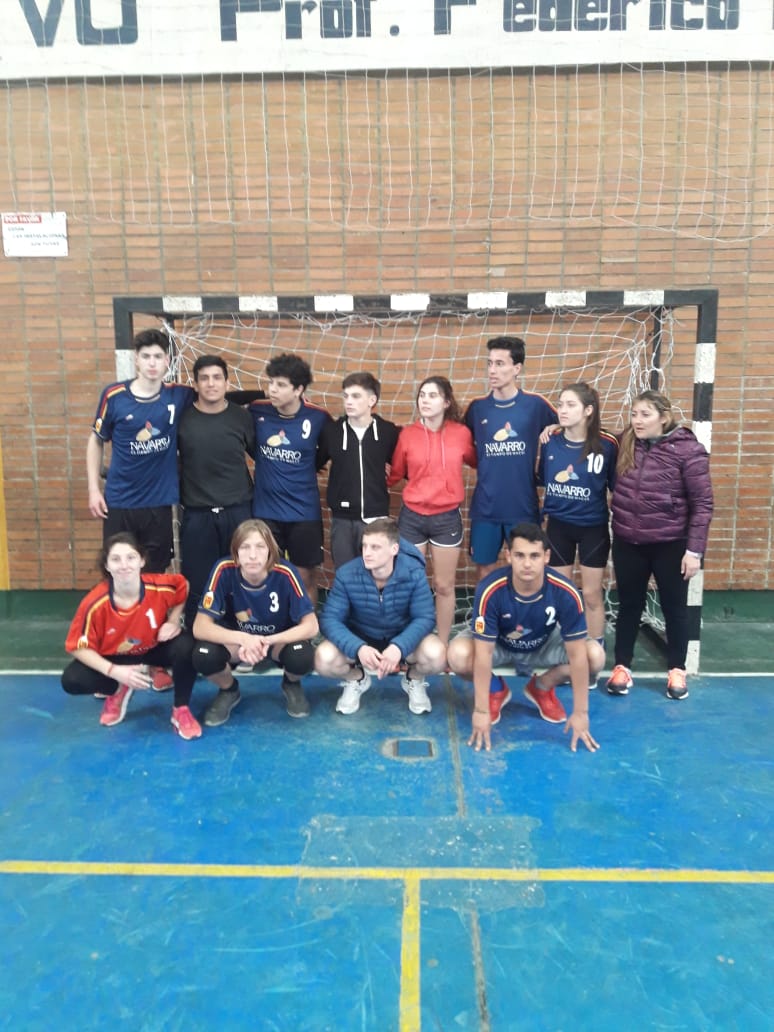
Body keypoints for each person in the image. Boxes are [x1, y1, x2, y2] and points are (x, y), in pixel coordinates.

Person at [448, 522, 604, 753]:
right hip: (500, 643)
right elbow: (484, 653)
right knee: (457, 655)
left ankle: (541, 686)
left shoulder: (565, 591)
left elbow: (577, 655)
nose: (527, 563)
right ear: (508, 556)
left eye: (534, 556)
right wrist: (480, 710)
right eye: (520, 555)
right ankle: (495, 688)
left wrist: (581, 713)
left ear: (546, 557)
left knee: (595, 657)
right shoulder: (490, 589)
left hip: (544, 643)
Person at [606, 390, 713, 700]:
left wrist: (694, 551)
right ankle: (622, 667)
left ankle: (677, 670)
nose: (637, 421)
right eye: (634, 414)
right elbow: (591, 436)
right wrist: (554, 427)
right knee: (629, 606)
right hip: (628, 541)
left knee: (674, 608)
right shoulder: (626, 442)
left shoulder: (688, 450)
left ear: (664, 418)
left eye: (645, 415)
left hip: (671, 544)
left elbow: (703, 503)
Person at [61, 533, 201, 739]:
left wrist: (173, 621)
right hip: (116, 657)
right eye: (116, 559)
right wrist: (114, 672)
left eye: (131, 557)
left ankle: (181, 709)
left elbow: (183, 586)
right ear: (107, 565)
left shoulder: (159, 586)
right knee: (73, 680)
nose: (124, 565)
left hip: (153, 648)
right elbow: (77, 647)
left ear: (142, 561)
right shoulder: (94, 603)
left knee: (187, 645)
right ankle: (117, 689)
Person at [86, 328, 194, 573]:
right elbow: (96, 440)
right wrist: (93, 489)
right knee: (118, 570)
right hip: (120, 500)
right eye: (146, 356)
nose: (152, 363)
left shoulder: (179, 395)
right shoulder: (114, 396)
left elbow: (214, 397)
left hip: (159, 503)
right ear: (136, 359)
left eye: (158, 356)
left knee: (155, 571)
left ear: (167, 361)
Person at [192, 519, 318, 724]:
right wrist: (243, 639)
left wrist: (267, 640)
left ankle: (291, 684)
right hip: (238, 644)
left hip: (275, 642)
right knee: (204, 654)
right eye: (245, 547)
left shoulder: (285, 572)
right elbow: (200, 626)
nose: (252, 555)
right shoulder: (223, 569)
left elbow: (311, 626)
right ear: (236, 552)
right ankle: (229, 690)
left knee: (302, 656)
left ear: (270, 551)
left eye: (260, 547)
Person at [315, 518, 446, 715]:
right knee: (323, 659)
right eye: (365, 546)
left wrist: (399, 647)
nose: (367, 553)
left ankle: (414, 678)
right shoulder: (347, 574)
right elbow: (330, 619)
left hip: (401, 637)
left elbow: (425, 617)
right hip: (362, 638)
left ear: (394, 549)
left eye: (375, 547)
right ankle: (356, 679)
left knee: (436, 655)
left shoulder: (414, 572)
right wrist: (358, 647)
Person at [387, 376, 476, 645]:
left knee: (444, 586)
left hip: (446, 519)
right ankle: (406, 645)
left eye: (433, 395)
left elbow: (477, 461)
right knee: (408, 585)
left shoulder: (461, 434)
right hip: (412, 518)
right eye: (422, 395)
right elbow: (396, 473)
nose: (425, 400)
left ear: (446, 402)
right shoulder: (407, 435)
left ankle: (443, 645)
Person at [177, 354, 261, 629]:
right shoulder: (182, 419)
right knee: (199, 580)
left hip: (238, 511)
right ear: (196, 384)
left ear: (226, 382)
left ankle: (244, 635)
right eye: (204, 378)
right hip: (197, 514)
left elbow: (263, 457)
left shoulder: (242, 417)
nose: (211, 383)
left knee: (242, 575)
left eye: (217, 378)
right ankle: (199, 636)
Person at [464, 336, 557, 578]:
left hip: (523, 506)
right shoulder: (477, 408)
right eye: (489, 363)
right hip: (486, 507)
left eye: (500, 364)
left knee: (527, 572)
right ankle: (488, 607)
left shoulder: (535, 405)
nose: (492, 370)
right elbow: (460, 443)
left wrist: (554, 428)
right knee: (485, 572)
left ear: (517, 368)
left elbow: (570, 427)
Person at [537, 382, 618, 656]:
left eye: (571, 405)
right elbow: (542, 478)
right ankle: (564, 650)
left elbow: (616, 485)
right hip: (558, 527)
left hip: (593, 529)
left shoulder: (607, 444)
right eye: (560, 404)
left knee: (592, 594)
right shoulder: (550, 440)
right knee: (562, 593)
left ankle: (595, 651)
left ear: (588, 410)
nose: (562, 410)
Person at [249, 353, 331, 605]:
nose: (272, 390)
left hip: (303, 512)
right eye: (271, 382)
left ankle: (306, 628)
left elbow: (329, 450)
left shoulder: (318, 417)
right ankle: (267, 625)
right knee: (263, 574)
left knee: (304, 578)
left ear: (299, 390)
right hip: (266, 511)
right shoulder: (257, 409)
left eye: (281, 385)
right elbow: (226, 400)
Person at [317, 371, 400, 568]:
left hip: (376, 518)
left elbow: (400, 465)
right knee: (346, 574)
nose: (349, 402)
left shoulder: (387, 432)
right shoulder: (332, 432)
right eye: (346, 396)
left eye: (356, 396)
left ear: (372, 400)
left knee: (377, 575)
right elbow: (315, 462)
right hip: (342, 520)